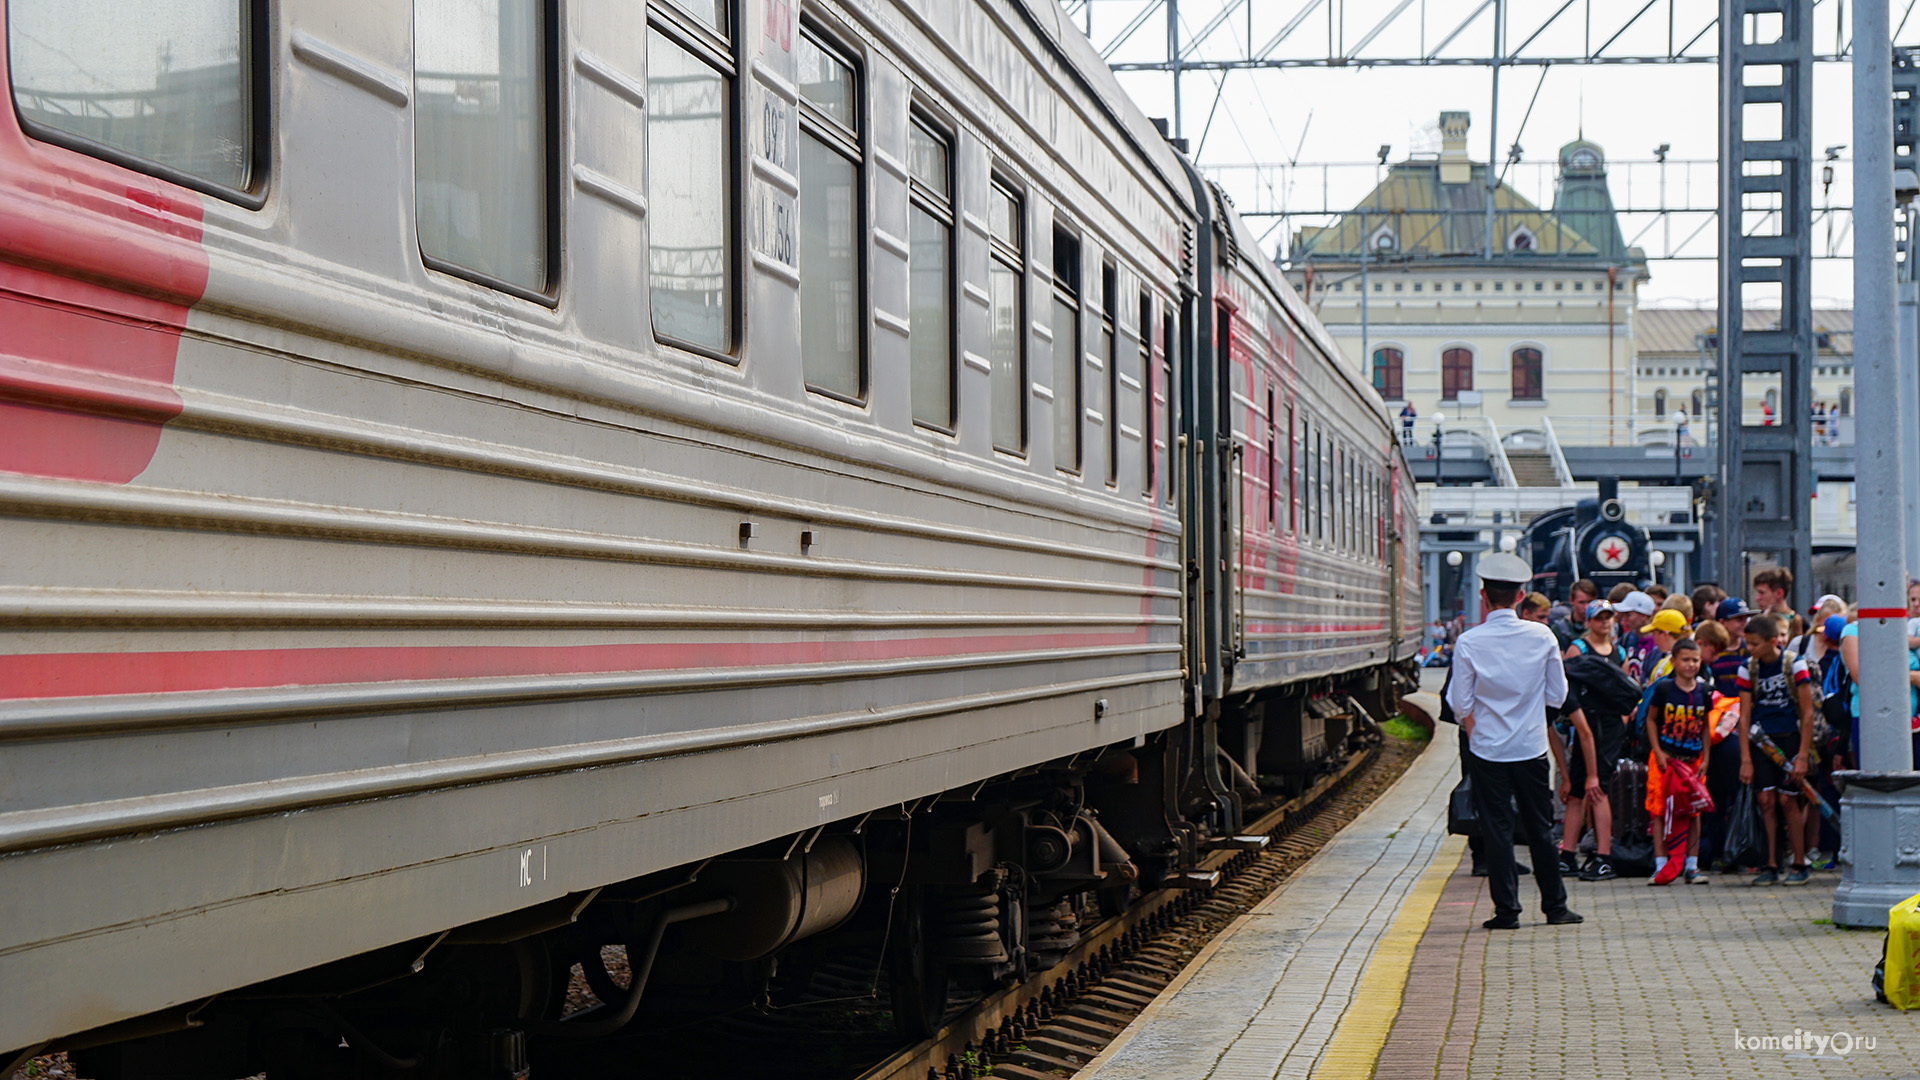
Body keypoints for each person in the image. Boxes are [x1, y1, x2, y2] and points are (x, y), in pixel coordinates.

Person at [1447, 552, 1590, 928]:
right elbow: (1557, 695)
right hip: (1530, 749)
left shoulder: (1469, 642)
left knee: (1496, 829)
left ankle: (1507, 911)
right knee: (1540, 828)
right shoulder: (1542, 636)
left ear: (1483, 595)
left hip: (1487, 750)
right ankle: (1555, 908)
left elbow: (1460, 703)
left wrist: (1477, 729)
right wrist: (1531, 721)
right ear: (1521, 595)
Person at [1736, 614, 1816, 886]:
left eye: (1755, 644)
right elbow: (1744, 715)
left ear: (1772, 642)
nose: (1750, 649)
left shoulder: (1794, 664)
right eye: (1747, 644)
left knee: (1789, 801)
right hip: (1761, 742)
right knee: (1766, 802)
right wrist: (1745, 758)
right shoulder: (1748, 668)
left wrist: (1803, 755)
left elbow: (1807, 713)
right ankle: (1770, 862)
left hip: (1791, 739)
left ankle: (1798, 860)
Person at [1559, 601, 1626, 880]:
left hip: (1608, 728)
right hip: (1584, 722)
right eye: (1599, 618)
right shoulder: (1579, 649)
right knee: (1577, 790)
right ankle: (1568, 853)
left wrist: (1622, 721)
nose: (1604, 623)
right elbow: (1567, 686)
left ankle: (1603, 854)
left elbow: (1625, 687)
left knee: (1599, 788)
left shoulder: (1618, 651)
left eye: (1608, 618)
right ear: (1588, 621)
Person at [1641, 638, 1714, 885]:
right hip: (1665, 760)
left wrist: (1705, 757)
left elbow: (1705, 727)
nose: (1691, 664)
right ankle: (1661, 865)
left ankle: (1691, 866)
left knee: (1693, 810)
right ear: (1673, 661)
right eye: (1685, 659)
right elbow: (1651, 720)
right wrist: (1658, 752)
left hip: (1692, 761)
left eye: (1695, 660)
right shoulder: (1664, 689)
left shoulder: (1704, 692)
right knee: (1659, 810)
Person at [1708, 598, 1752, 697]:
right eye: (1739, 620)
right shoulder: (1712, 651)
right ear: (1723, 622)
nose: (1744, 623)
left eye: (1746, 619)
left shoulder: (1749, 649)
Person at [1616, 591, 1658, 681]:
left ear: (1643, 615)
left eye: (1629, 615)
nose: (1624, 619)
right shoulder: (1625, 639)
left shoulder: (1658, 642)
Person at [1642, 608, 1690, 684]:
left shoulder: (1686, 663)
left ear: (1665, 634)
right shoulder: (1664, 661)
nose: (1653, 638)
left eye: (1654, 633)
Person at [1551, 579, 1599, 649]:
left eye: (1590, 602)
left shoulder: (1602, 626)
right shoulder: (1559, 629)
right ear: (1571, 600)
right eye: (1581, 602)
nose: (1586, 607)